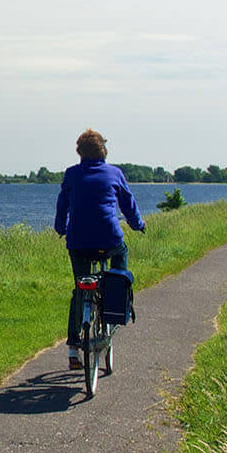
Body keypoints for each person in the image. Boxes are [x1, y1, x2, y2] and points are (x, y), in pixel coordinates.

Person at [54, 129, 144, 369]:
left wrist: (60, 228)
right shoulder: (114, 173)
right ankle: (114, 302)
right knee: (119, 262)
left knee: (79, 288)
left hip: (79, 242)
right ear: (103, 150)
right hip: (109, 240)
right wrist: (138, 225)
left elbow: (62, 205)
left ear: (79, 152)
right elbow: (128, 204)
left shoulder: (72, 174)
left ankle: (74, 347)